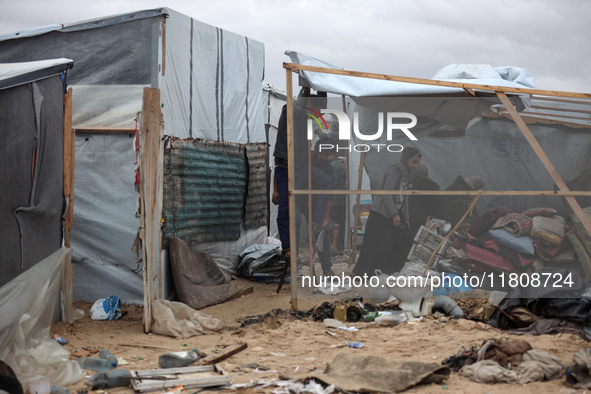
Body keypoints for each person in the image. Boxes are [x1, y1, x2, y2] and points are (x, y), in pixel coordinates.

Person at [272, 88, 331, 264]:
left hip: (302, 168)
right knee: (287, 211)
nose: (319, 113)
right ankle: (289, 249)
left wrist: (321, 86)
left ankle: (318, 225)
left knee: (320, 191)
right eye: (319, 108)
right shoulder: (290, 108)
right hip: (286, 166)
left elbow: (322, 130)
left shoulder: (309, 117)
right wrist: (306, 85)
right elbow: (298, 107)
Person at [352, 147, 422, 277]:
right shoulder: (395, 169)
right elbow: (387, 194)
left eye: (416, 163)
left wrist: (405, 216)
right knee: (374, 246)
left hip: (395, 213)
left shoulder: (408, 175)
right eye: (413, 162)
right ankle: (362, 273)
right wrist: (394, 214)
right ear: (407, 159)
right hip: (381, 214)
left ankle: (383, 272)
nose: (414, 165)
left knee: (389, 246)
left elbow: (405, 197)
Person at [408, 164, 442, 236]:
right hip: (430, 221)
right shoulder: (435, 186)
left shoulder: (412, 185)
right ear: (427, 173)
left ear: (414, 174)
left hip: (414, 220)